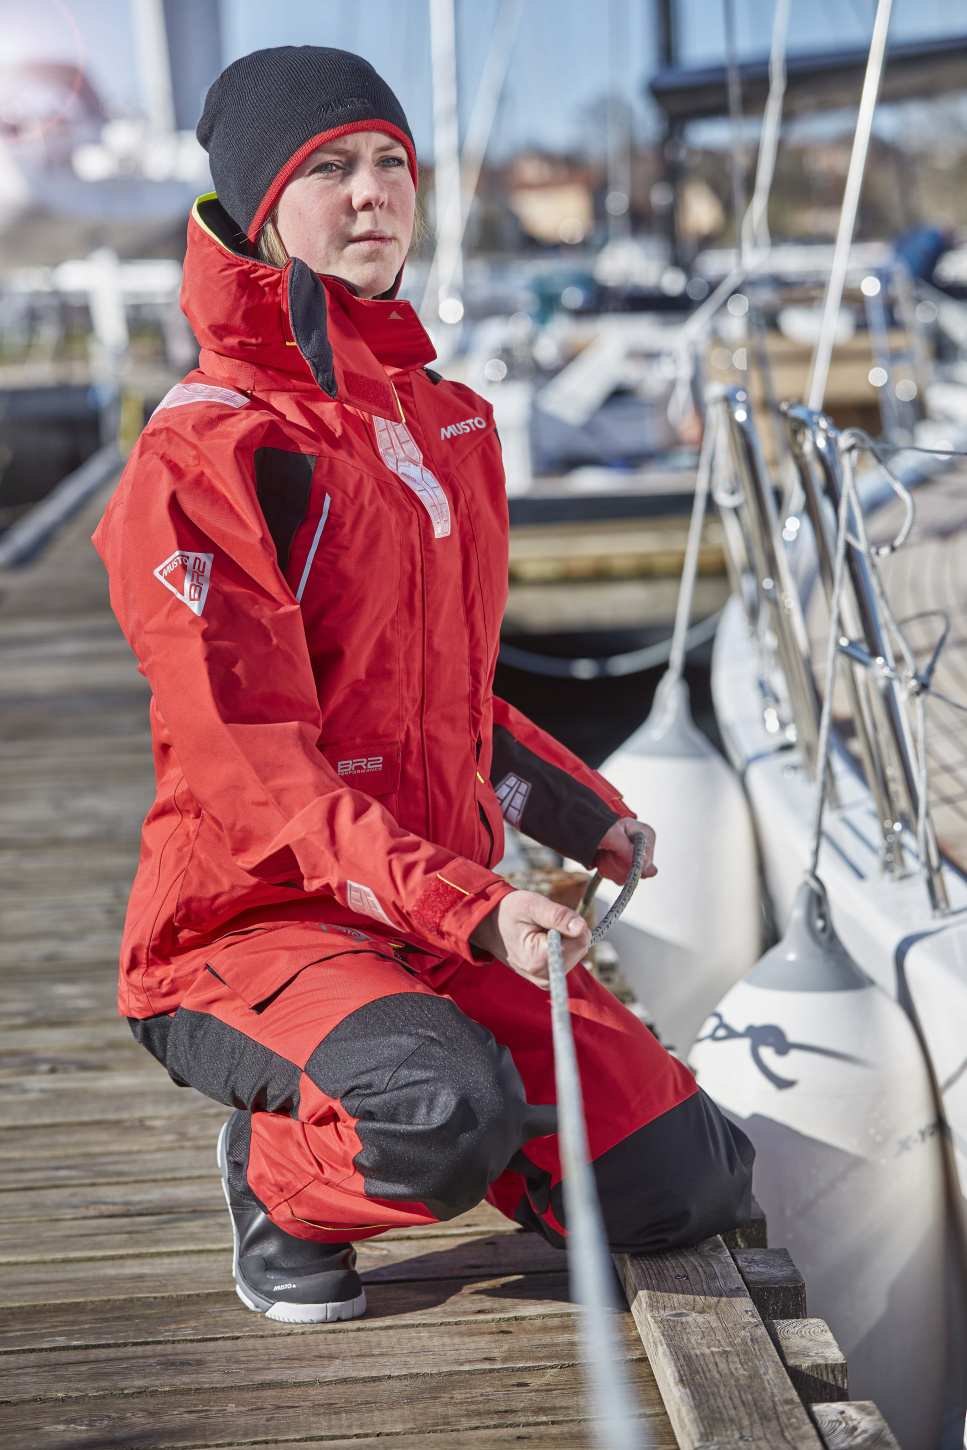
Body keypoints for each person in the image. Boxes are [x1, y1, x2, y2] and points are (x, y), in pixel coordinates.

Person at [94, 45, 753, 1326]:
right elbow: (261, 777)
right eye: (328, 168)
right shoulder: (208, 452)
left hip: (427, 917)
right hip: (254, 928)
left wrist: (582, 814)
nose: (372, 193)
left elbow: (447, 702)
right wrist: (481, 908)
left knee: (690, 1177)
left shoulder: (445, 420)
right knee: (438, 1109)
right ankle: (279, 1178)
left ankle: (490, 1126)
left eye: (391, 161)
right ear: (260, 208)